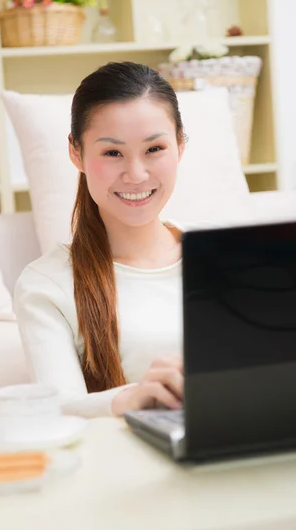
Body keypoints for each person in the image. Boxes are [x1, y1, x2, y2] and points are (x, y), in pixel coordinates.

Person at [14, 61, 186, 418]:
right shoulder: (47, 285)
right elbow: (58, 407)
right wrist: (132, 398)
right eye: (112, 153)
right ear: (76, 153)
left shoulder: (222, 258)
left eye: (154, 149)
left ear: (180, 146)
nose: (136, 174)